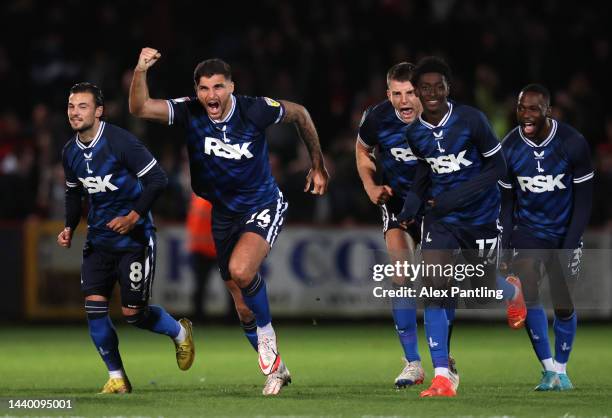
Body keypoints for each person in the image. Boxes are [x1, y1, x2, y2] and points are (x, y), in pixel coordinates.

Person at [128, 48, 329, 396]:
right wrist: (140, 70)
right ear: (196, 90)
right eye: (204, 88)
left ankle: (267, 337)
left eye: (219, 87)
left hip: (263, 203)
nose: (212, 95)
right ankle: (277, 369)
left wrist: (318, 163)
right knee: (240, 305)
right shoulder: (190, 111)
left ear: (231, 87)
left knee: (242, 270)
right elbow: (140, 108)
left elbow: (300, 114)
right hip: (223, 213)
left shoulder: (254, 109)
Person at [397, 56, 525, 397]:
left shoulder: (471, 120)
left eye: (439, 86)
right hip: (441, 220)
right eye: (425, 87)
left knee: (479, 286)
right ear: (417, 92)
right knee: (435, 285)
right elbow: (424, 172)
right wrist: (410, 208)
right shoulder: (414, 133)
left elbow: (498, 168)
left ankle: (512, 292)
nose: (433, 92)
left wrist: (455, 197)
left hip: (481, 217)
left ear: (448, 88)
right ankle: (442, 375)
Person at [57, 82, 194, 394]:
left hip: (135, 239)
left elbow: (158, 179)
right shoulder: (69, 152)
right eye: (71, 106)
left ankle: (179, 333)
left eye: (82, 106)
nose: (75, 112)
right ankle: (117, 377)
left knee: (134, 315)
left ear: (99, 111)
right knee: (94, 308)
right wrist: (68, 225)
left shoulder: (120, 142)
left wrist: (133, 216)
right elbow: (74, 193)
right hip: (98, 241)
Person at [356, 62, 459, 389]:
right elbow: (362, 150)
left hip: (437, 207)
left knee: (438, 286)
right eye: (397, 94)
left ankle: (444, 356)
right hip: (399, 205)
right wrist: (371, 186)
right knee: (400, 275)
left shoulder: (445, 119)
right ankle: (413, 363)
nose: (404, 101)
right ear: (388, 94)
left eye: (410, 93)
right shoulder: (377, 117)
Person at [499, 84, 593, 391]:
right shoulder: (509, 147)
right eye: (521, 108)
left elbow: (584, 200)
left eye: (533, 109)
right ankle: (549, 368)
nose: (525, 115)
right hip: (529, 231)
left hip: (564, 231)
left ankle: (562, 370)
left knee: (564, 303)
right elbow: (507, 201)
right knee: (527, 284)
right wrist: (506, 242)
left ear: (548, 111)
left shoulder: (572, 143)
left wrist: (570, 243)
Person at [185, 193, 217, 322]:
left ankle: (199, 318)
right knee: (200, 286)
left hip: (210, 248)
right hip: (205, 249)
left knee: (200, 286)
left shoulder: (197, 197)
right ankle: (199, 317)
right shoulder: (202, 196)